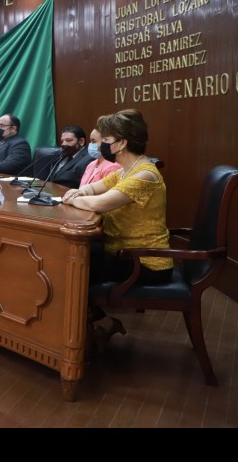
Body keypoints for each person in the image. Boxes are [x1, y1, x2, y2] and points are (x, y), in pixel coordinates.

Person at [61, 109, 172, 352]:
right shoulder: (125, 171)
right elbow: (94, 189)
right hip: (122, 253)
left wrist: (74, 199)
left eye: (106, 140)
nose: (101, 145)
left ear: (122, 143)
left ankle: (81, 338)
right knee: (68, 259)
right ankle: (101, 324)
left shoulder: (145, 175)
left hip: (145, 262)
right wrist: (80, 192)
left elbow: (100, 203)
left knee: (70, 268)